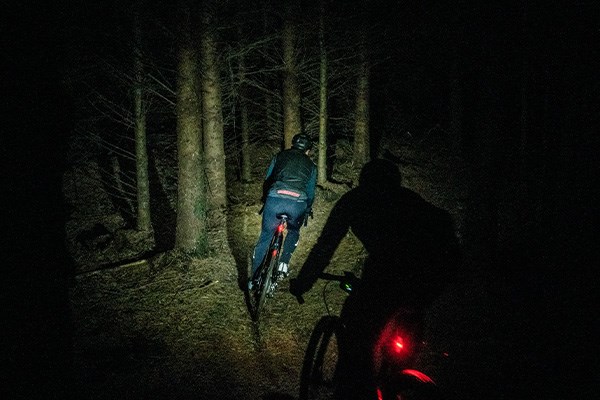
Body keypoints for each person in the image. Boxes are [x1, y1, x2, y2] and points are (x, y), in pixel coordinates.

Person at [290, 158, 461, 400]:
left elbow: (324, 247)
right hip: (434, 268)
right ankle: (398, 375)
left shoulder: (355, 200)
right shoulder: (408, 199)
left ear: (364, 182)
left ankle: (360, 387)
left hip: (394, 266)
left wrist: (303, 282)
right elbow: (446, 238)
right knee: (409, 314)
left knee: (359, 329)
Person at [249, 133, 317, 289]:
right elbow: (311, 192)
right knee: (293, 231)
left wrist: (266, 198)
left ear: (293, 145)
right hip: (297, 203)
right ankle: (284, 263)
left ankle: (253, 280)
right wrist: (307, 209)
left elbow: (268, 179)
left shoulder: (280, 156)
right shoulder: (311, 166)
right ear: (308, 150)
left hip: (275, 199)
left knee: (265, 237)